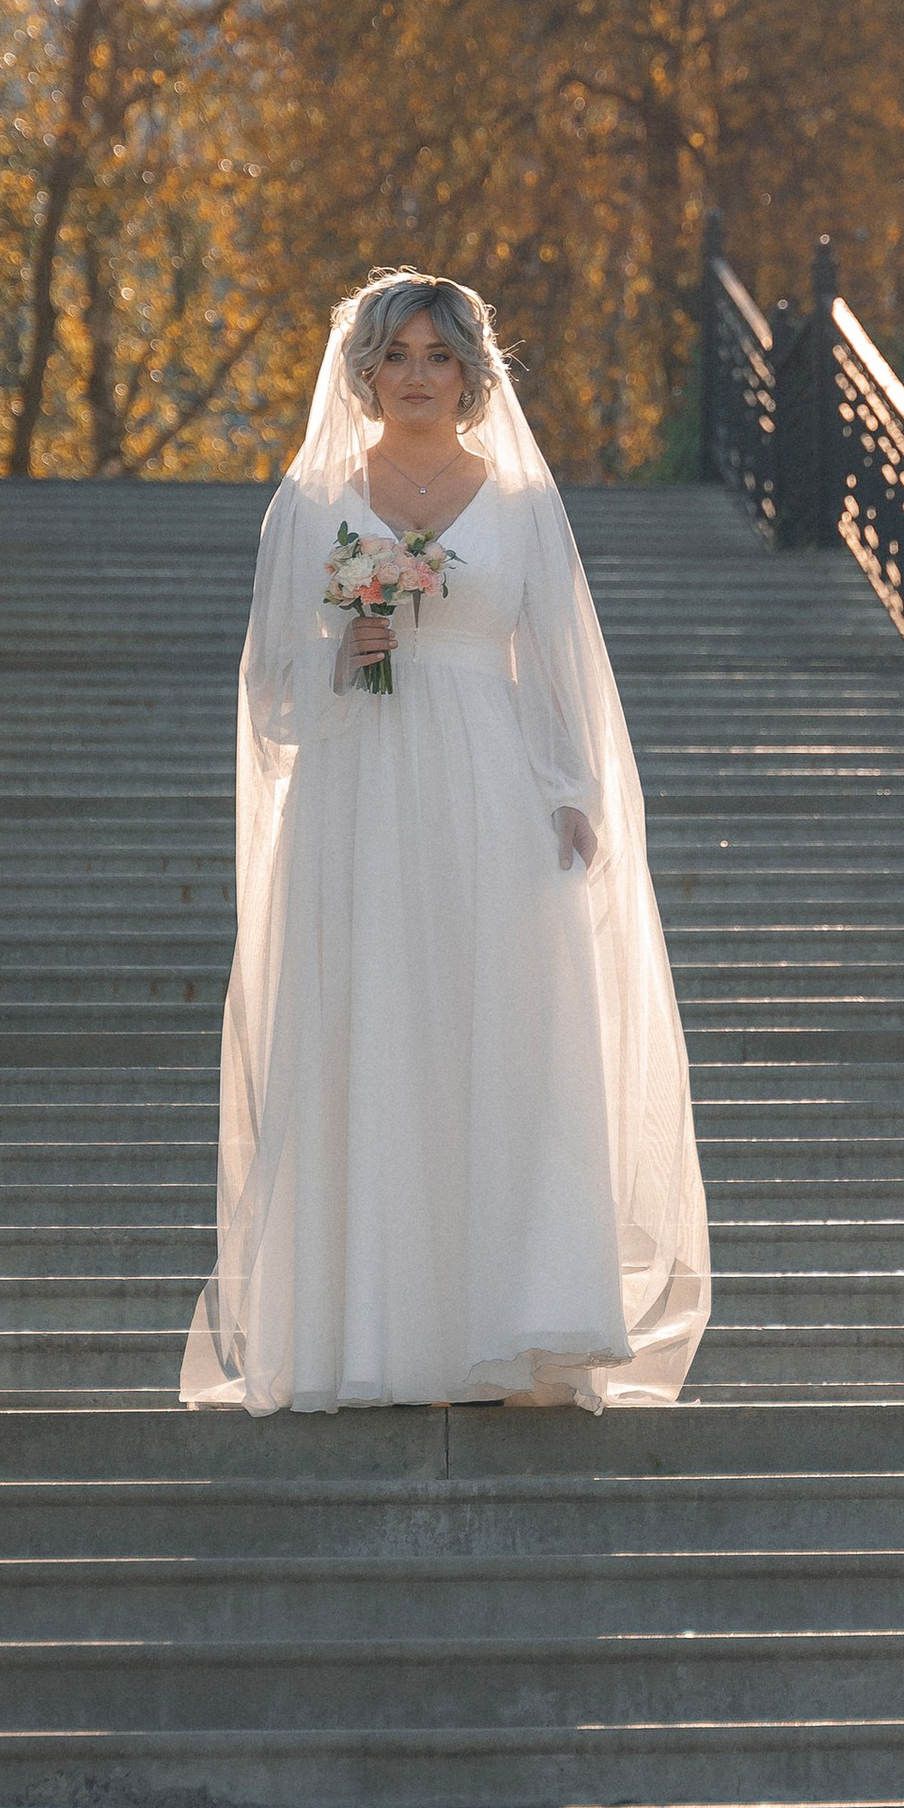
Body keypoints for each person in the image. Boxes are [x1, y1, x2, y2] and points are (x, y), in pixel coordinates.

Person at [182, 270, 711, 1414]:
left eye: (438, 354)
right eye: (398, 354)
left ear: (472, 372)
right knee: (372, 1027)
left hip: (487, 786)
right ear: (362, 370)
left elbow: (561, 663)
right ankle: (372, 1329)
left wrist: (568, 789)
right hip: (359, 792)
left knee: (502, 1034)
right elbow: (269, 690)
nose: (418, 374)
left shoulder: (518, 504)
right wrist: (344, 649)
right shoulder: (317, 499)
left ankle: (513, 1322)